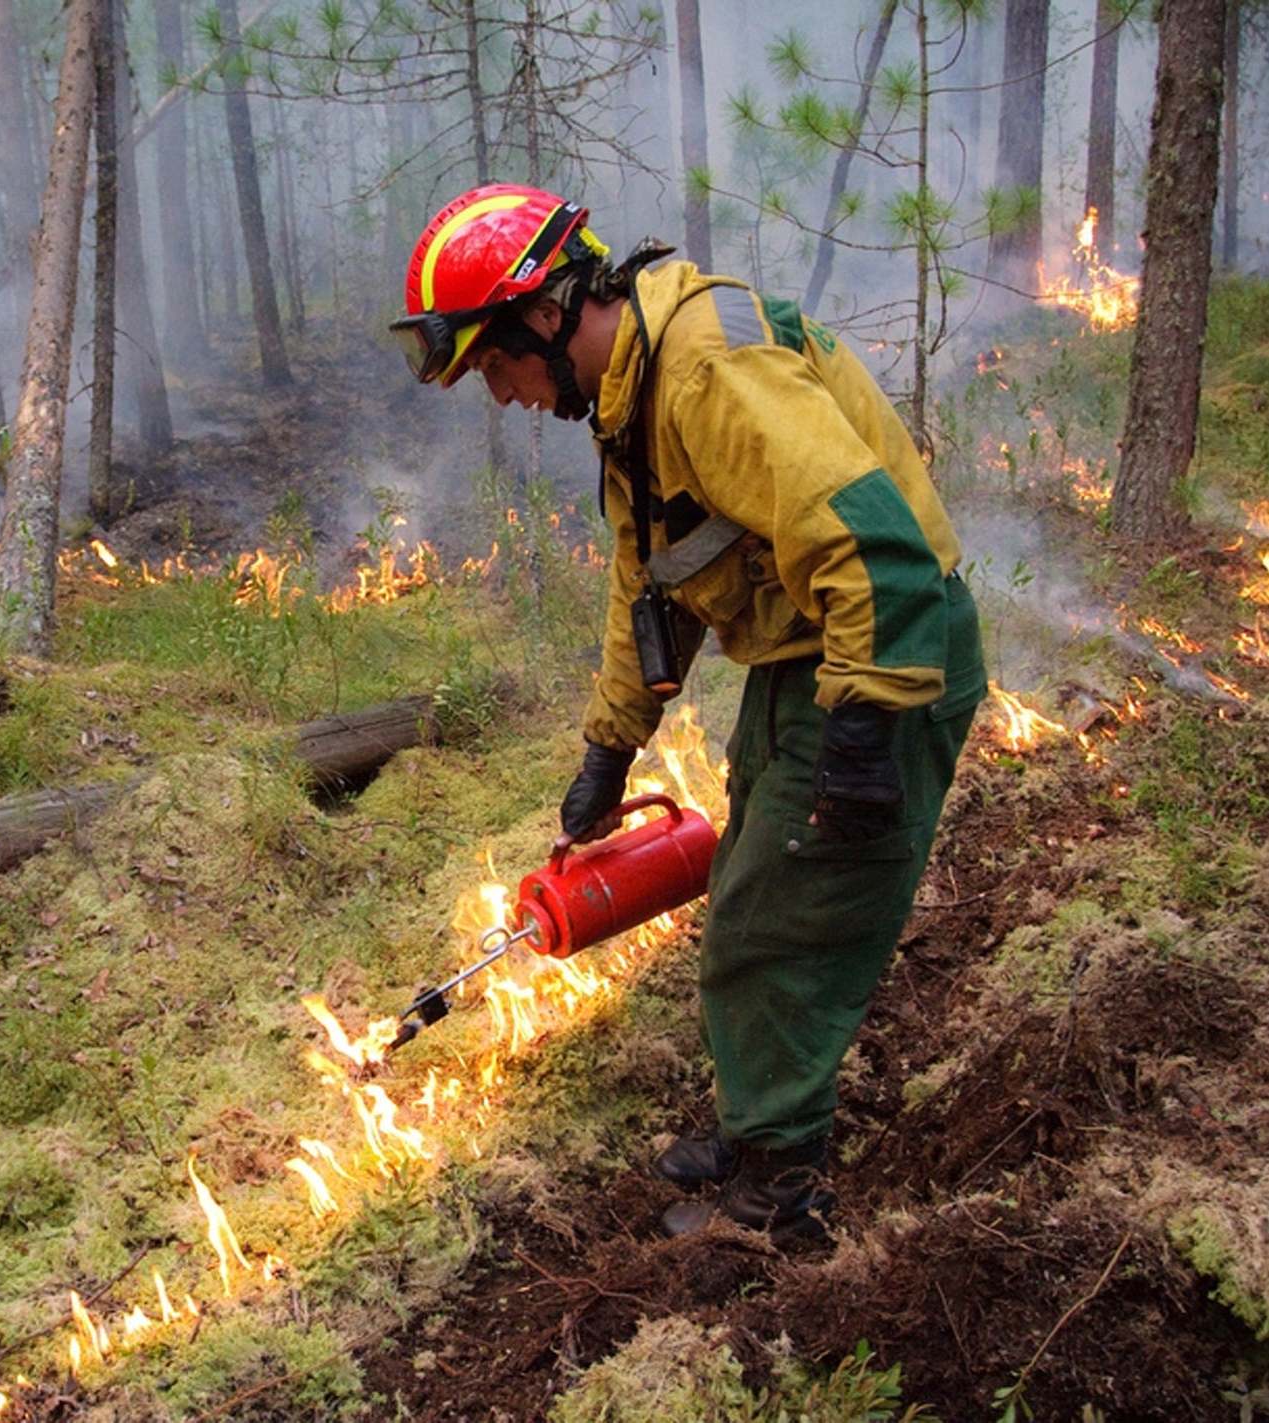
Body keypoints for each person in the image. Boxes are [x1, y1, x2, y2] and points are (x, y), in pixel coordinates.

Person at [391, 184, 986, 1241]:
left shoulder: (705, 367)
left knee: (777, 923)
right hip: (808, 660)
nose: (502, 396)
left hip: (883, 655)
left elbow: (872, 548)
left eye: (491, 366)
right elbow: (650, 582)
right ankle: (761, 1124)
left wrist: (860, 739)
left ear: (543, 313)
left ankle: (781, 1191)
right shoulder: (637, 391)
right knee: (754, 887)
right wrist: (607, 748)